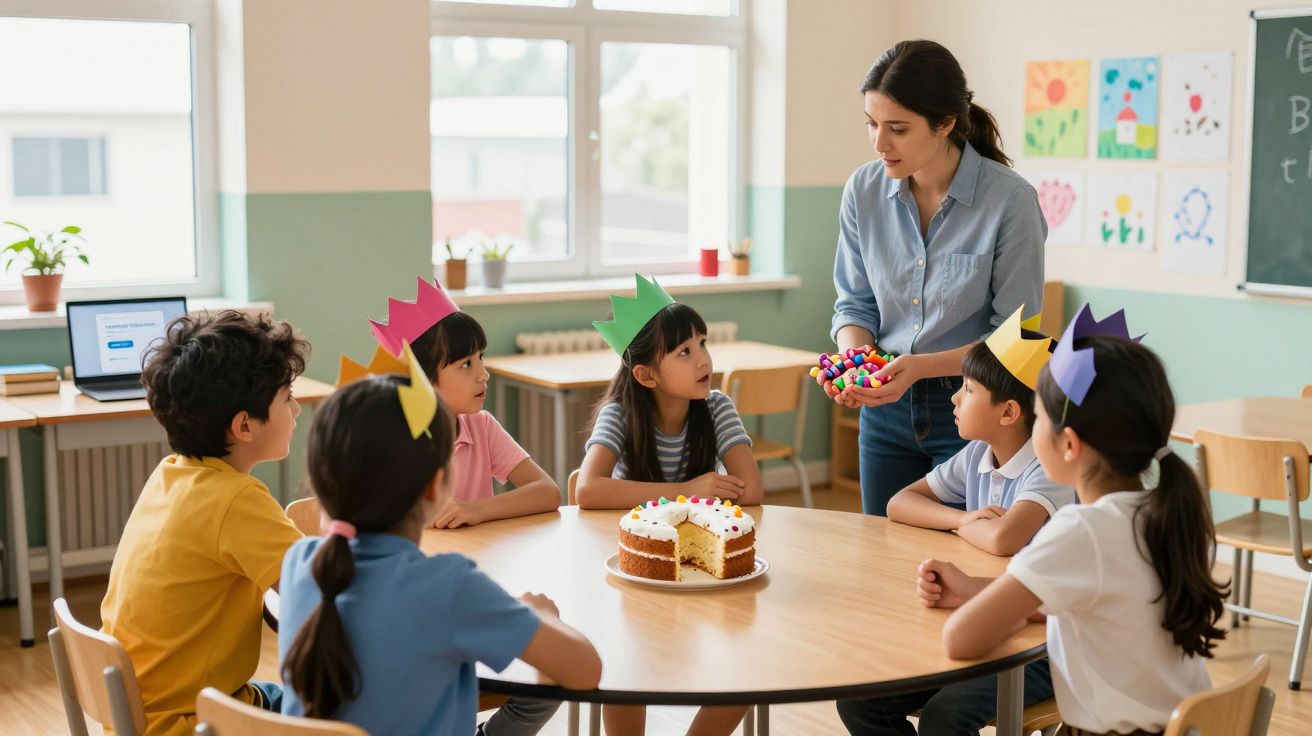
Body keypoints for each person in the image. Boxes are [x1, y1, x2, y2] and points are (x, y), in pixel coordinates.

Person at [917, 306, 1227, 734]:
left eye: (1039, 416)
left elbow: (960, 639)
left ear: (1069, 444)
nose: (1033, 426)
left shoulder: (1082, 532)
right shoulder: (1159, 513)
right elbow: (1089, 594)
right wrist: (973, 589)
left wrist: (991, 609)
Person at [279, 350, 601, 735]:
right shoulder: (449, 586)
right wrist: (539, 615)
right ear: (436, 486)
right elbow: (585, 670)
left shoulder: (300, 561)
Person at [830, 39, 1046, 516]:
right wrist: (855, 362)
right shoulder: (863, 191)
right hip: (884, 407)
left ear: (946, 122)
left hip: (974, 408)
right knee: (880, 551)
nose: (879, 143)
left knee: (964, 555)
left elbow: (1016, 339)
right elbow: (854, 304)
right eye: (872, 124)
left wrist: (919, 367)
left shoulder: (1010, 202)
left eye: (898, 129)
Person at [101, 310, 310, 735]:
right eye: (287, 397)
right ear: (245, 425)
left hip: (138, 713)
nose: (298, 408)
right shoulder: (236, 501)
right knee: (353, 704)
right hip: (193, 723)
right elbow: (319, 585)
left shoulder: (170, 474)